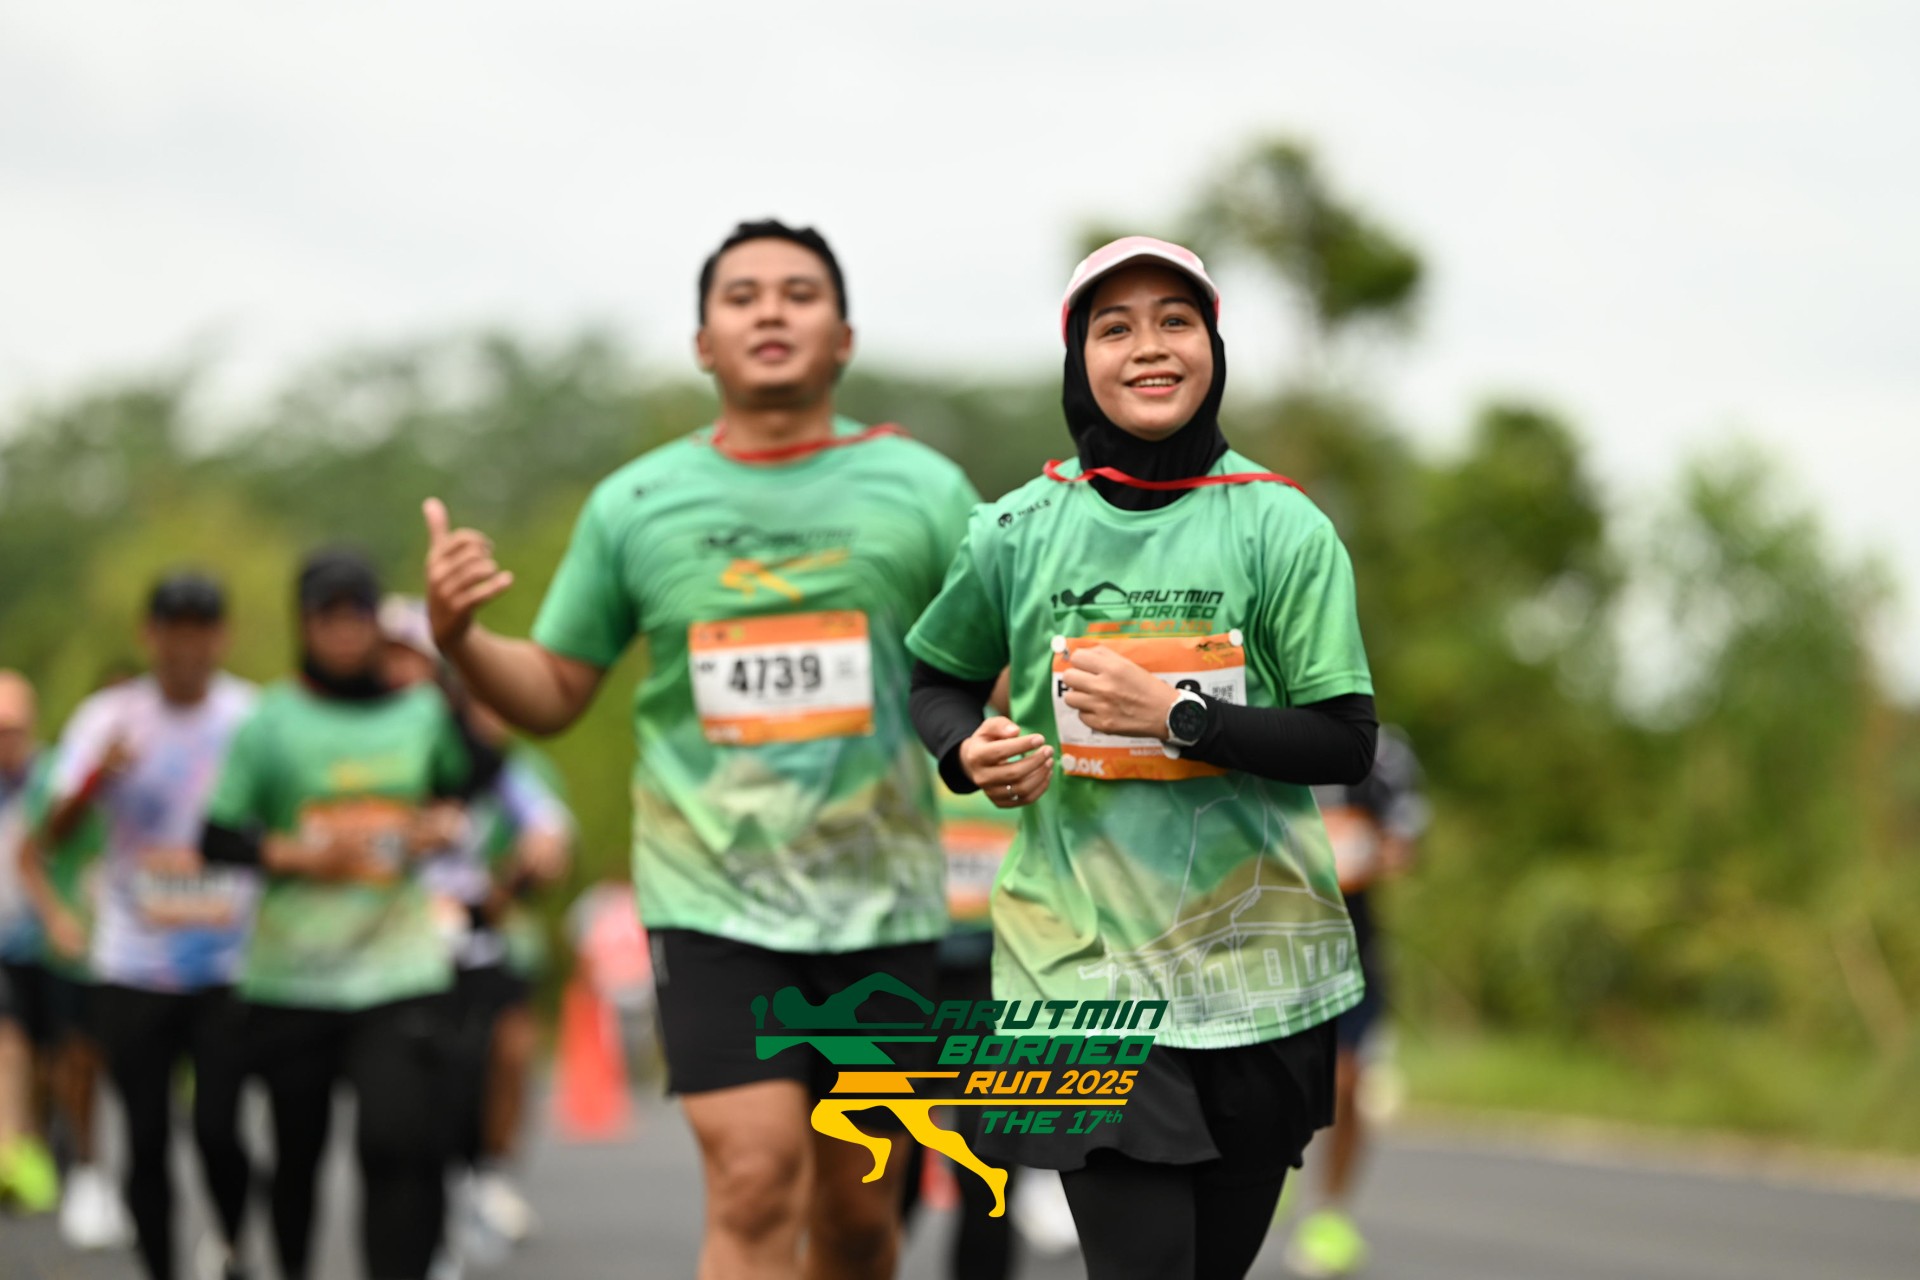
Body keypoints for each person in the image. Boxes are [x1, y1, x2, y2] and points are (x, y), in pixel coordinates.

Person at [422, 219, 980, 1279]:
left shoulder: (928, 490)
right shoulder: (636, 503)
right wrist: (460, 640)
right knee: (756, 1175)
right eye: (743, 295)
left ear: (845, 336)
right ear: (702, 342)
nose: (771, 310)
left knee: (861, 1212)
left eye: (799, 293)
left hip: (884, 906)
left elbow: (995, 671)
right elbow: (554, 690)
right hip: (711, 900)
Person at [907, 236, 1378, 1280]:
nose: (1150, 346)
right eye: (1114, 327)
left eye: (1176, 320)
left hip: (1253, 971)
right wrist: (965, 748)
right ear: (1080, 360)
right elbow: (934, 679)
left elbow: (1346, 738)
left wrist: (1180, 716)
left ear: (1213, 346)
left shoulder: (1284, 526)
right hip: (1073, 971)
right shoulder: (1016, 528)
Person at [200, 550, 488, 1280]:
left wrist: (442, 822)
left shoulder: (420, 710)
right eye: (327, 617)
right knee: (298, 1152)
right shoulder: (271, 719)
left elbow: (468, 783)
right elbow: (218, 837)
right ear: (304, 625)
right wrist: (302, 855)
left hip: (398, 962)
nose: (344, 631)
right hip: (293, 972)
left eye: (357, 615)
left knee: (399, 1143)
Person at [32, 573, 258, 1280]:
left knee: (219, 1128)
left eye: (200, 629)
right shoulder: (109, 717)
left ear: (221, 636)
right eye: (173, 629)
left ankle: (230, 1245)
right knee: (147, 1133)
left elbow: (286, 817)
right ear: (149, 634)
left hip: (228, 961)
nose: (186, 646)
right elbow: (52, 834)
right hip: (134, 961)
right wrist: (97, 777)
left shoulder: (250, 716)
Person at [379, 595, 572, 1259]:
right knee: (398, 1103)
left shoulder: (473, 746)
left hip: (468, 941)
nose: (400, 673)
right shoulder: (351, 737)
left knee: (476, 1073)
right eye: (389, 659)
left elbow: (542, 818)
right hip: (377, 945)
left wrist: (536, 852)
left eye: (411, 659)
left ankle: (478, 1183)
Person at [1284, 727, 1426, 1278]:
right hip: (1260, 947)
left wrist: (1352, 851)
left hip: (1348, 949)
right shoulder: (1248, 727)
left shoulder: (1382, 752)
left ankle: (1329, 1212)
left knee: (1347, 1083)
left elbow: (1402, 845)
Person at [899, 671, 1026, 1280]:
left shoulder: (1026, 731)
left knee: (989, 1166)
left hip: (997, 974)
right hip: (904, 972)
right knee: (886, 1170)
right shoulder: (898, 731)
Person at [14, 670, 131, 1249]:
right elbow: (35, 849)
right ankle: (85, 1168)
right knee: (74, 1055)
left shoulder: (181, 770)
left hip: (152, 951)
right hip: (80, 944)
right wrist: (57, 918)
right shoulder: (62, 774)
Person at [0, 671, 60, 1215]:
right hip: (4, 940)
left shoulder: (54, 781)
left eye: (12, 729)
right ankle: (12, 1150)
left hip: (52, 939)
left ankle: (43, 1141)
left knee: (52, 1052)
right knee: (10, 1041)